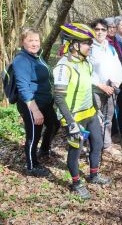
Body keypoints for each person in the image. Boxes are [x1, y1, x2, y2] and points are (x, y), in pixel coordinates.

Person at [54, 23, 111, 200]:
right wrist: (71, 123)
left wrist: (97, 111)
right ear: (74, 44)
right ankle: (76, 183)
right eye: (86, 43)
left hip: (89, 113)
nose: (90, 46)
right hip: (73, 116)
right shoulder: (64, 67)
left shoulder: (86, 63)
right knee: (75, 152)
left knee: (98, 144)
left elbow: (87, 89)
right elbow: (59, 98)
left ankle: (93, 175)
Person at [12, 28, 59, 176]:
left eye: (36, 40)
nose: (34, 43)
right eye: (30, 40)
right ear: (22, 42)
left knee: (54, 124)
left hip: (45, 101)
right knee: (34, 135)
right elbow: (23, 87)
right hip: (31, 104)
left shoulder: (37, 56)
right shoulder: (21, 60)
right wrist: (35, 110)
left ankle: (44, 149)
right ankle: (32, 165)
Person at [89, 19, 122, 159]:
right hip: (95, 90)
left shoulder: (110, 47)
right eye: (97, 29)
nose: (100, 32)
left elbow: (118, 67)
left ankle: (107, 145)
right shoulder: (89, 47)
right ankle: (96, 145)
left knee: (108, 118)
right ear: (92, 31)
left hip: (111, 90)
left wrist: (116, 84)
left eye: (103, 29)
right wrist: (100, 85)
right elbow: (86, 72)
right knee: (97, 119)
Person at [105, 17, 122, 137]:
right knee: (111, 108)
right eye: (110, 27)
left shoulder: (118, 41)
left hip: (120, 79)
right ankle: (113, 130)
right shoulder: (104, 42)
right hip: (107, 81)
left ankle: (120, 125)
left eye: (114, 27)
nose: (112, 29)